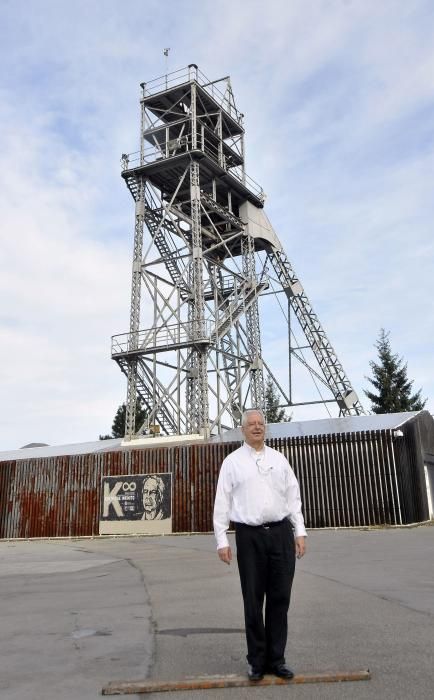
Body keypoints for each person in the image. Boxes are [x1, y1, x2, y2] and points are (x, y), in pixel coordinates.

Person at [213, 409, 307, 682]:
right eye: (251, 424)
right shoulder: (232, 463)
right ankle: (256, 661)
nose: (256, 428)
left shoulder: (279, 460)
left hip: (280, 534)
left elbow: (293, 497)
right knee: (253, 601)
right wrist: (222, 539)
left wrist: (299, 532)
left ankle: (276, 660)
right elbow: (222, 503)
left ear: (265, 428)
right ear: (242, 430)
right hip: (249, 536)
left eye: (260, 424)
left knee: (280, 599)